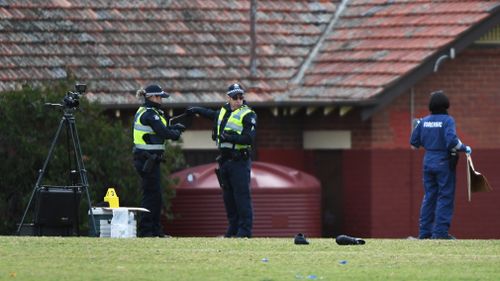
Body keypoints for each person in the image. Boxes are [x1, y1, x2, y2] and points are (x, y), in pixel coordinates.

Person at [186, 83, 257, 238]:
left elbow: (249, 138)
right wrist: (197, 110)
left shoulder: (248, 114)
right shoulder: (224, 111)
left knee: (241, 196)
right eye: (235, 97)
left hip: (239, 160)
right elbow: (212, 114)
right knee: (228, 198)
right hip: (225, 161)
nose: (238, 100)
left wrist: (230, 137)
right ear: (228, 98)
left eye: (240, 97)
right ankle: (232, 230)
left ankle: (244, 231)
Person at [410, 90, 472, 240]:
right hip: (443, 162)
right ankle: (440, 234)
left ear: (431, 105)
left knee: (429, 196)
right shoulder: (447, 120)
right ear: (446, 104)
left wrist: (419, 127)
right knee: (445, 197)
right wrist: (465, 148)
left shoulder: (423, 121)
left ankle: (424, 233)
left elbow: (414, 142)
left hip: (428, 161)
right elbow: (451, 141)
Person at [132, 84, 185, 237]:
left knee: (155, 196)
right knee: (151, 196)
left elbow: (163, 126)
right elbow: (163, 131)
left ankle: (155, 230)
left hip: (150, 160)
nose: (161, 99)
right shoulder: (149, 114)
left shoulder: (151, 112)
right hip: (146, 160)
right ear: (152, 97)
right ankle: (147, 231)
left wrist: (174, 126)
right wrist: (176, 132)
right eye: (160, 96)